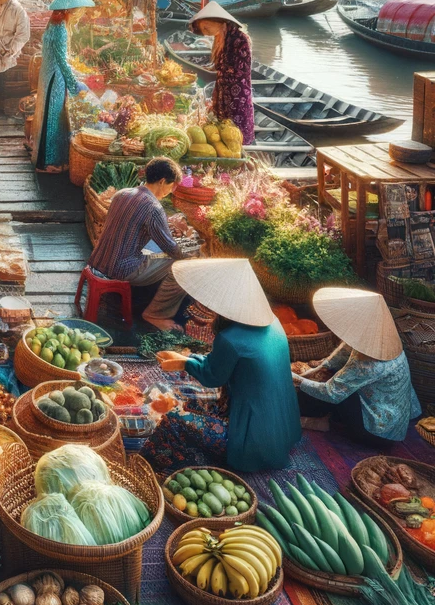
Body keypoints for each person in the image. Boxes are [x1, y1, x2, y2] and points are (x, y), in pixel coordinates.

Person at [151, 258, 301, 473]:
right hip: (283, 430)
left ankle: (162, 468)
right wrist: (187, 360)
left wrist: (185, 363)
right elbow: (219, 365)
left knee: (174, 419)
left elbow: (212, 377)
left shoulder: (231, 339)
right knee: (191, 399)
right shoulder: (273, 322)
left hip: (254, 440)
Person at [294, 287, 421, 445]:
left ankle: (315, 418)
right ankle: (324, 418)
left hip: (378, 432)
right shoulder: (383, 339)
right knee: (333, 374)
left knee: (338, 385)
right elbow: (345, 350)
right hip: (390, 413)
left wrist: (298, 380)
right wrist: (318, 368)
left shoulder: (368, 361)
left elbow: (331, 392)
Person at [87, 156, 187, 330]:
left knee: (153, 249)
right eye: (172, 186)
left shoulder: (122, 194)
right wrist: (187, 254)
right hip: (122, 269)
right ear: (163, 181)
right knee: (181, 266)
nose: (171, 191)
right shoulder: (153, 208)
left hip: (99, 260)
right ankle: (156, 315)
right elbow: (171, 248)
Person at [32, 0, 92, 172]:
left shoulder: (53, 24)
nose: (78, 14)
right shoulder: (61, 30)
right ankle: (50, 162)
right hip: (54, 79)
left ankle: (45, 160)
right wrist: (74, 84)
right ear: (71, 11)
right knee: (53, 119)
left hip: (47, 75)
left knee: (47, 118)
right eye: (77, 11)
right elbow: (62, 61)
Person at [189, 2, 256, 144]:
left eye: (206, 28)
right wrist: (213, 68)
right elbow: (222, 63)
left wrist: (218, 70)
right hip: (222, 88)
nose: (206, 33)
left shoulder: (240, 38)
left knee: (235, 131)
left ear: (217, 22)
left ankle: (241, 149)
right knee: (221, 127)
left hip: (237, 93)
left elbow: (239, 69)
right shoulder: (221, 38)